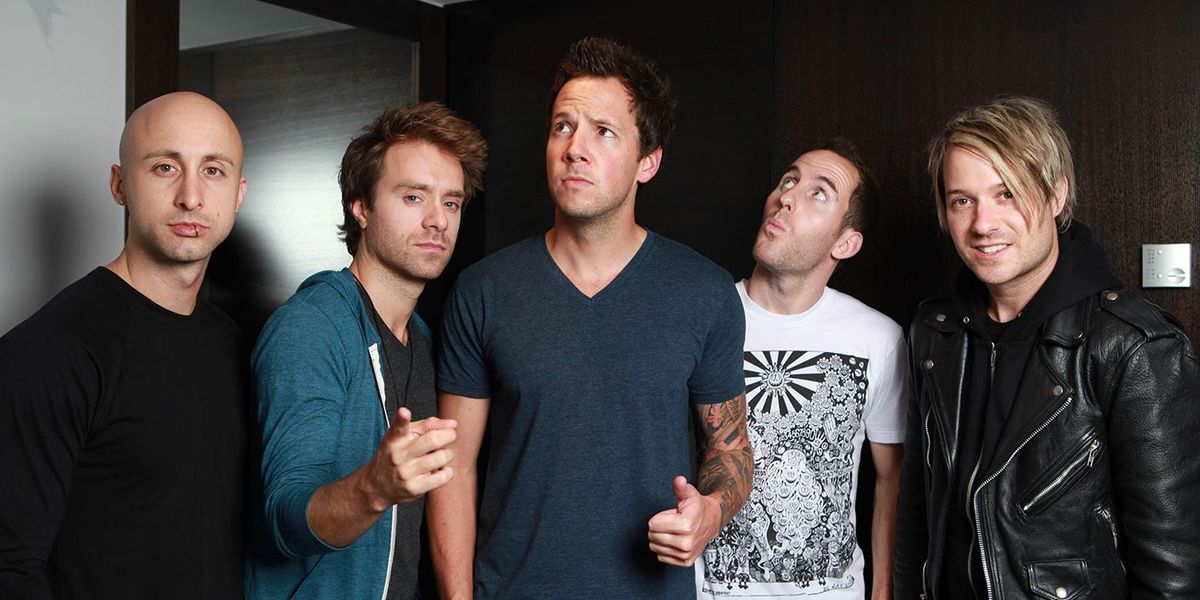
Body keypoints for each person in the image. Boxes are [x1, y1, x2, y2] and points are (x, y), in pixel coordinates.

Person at [428, 37, 753, 599]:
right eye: (563, 126)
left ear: (648, 162)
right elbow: (453, 466)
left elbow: (730, 449)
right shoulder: (483, 291)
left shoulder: (705, 292)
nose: (575, 148)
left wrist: (710, 512)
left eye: (603, 131)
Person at [894, 96, 1200, 598]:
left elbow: (1174, 570)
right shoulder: (934, 333)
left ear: (1057, 195)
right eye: (962, 200)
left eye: (1007, 194)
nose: (983, 224)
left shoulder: (1134, 346)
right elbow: (917, 515)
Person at [0, 91, 249, 599]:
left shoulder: (230, 342)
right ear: (120, 185)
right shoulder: (50, 351)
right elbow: (11, 569)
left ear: (238, 193)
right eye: (164, 167)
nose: (191, 197)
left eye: (213, 171)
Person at [246, 102, 487, 599]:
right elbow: (285, 517)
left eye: (451, 203)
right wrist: (374, 488)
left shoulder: (424, 339)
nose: (437, 221)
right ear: (361, 207)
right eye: (413, 197)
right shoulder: (310, 329)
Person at [696, 140, 907, 599]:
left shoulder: (879, 338)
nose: (787, 196)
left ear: (846, 243)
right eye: (788, 180)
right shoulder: (703, 319)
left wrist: (882, 592)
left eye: (819, 193)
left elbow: (891, 477)